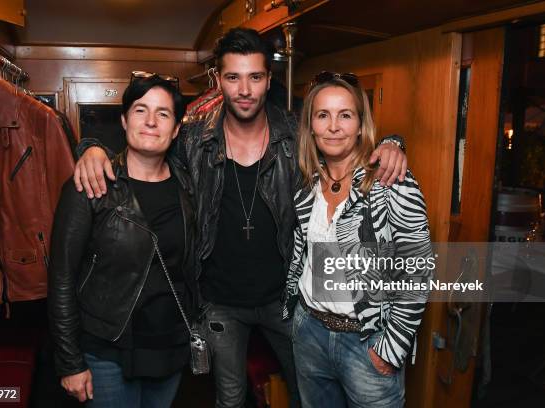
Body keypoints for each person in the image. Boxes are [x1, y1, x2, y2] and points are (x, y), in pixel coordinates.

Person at [72, 28, 408, 408]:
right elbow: (145, 139)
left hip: (287, 299)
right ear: (219, 80)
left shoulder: (295, 136)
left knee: (305, 394)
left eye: (255, 77)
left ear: (268, 80)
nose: (244, 89)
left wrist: (393, 142)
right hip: (219, 303)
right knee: (229, 399)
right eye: (233, 77)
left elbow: (345, 133)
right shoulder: (194, 139)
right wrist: (92, 147)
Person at [48, 75, 198, 407]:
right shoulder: (89, 186)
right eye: (140, 110)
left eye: (163, 114)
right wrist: (70, 362)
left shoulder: (189, 186)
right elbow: (61, 279)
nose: (150, 121)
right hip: (107, 351)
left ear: (175, 129)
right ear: (123, 120)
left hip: (170, 347)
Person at [283, 72, 432, 407]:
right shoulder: (306, 183)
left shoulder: (391, 181)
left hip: (367, 343)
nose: (334, 126)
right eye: (323, 115)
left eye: (345, 115)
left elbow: (418, 270)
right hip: (309, 331)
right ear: (311, 126)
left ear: (361, 124)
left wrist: (391, 348)